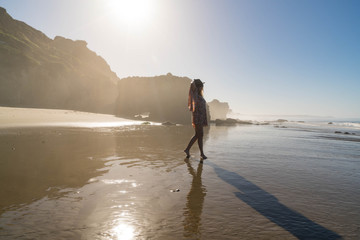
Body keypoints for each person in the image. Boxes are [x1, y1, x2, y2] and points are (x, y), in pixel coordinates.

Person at [184, 79, 208, 160]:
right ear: (198, 87)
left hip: (200, 118)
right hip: (197, 117)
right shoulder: (194, 95)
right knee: (199, 135)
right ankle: (201, 153)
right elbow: (192, 83)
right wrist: (197, 83)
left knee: (198, 135)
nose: (202, 88)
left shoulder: (199, 96)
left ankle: (188, 150)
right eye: (201, 86)